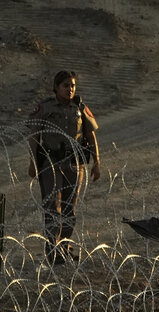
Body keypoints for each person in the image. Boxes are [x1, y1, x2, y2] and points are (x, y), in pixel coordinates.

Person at [26, 70, 101, 264]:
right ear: (56, 87)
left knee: (70, 209)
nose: (69, 89)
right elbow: (34, 136)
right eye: (65, 85)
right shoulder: (45, 107)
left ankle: (65, 247)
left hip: (74, 163)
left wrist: (97, 162)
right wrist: (33, 162)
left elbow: (91, 136)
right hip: (50, 162)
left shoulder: (80, 108)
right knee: (53, 207)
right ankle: (53, 251)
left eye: (72, 86)